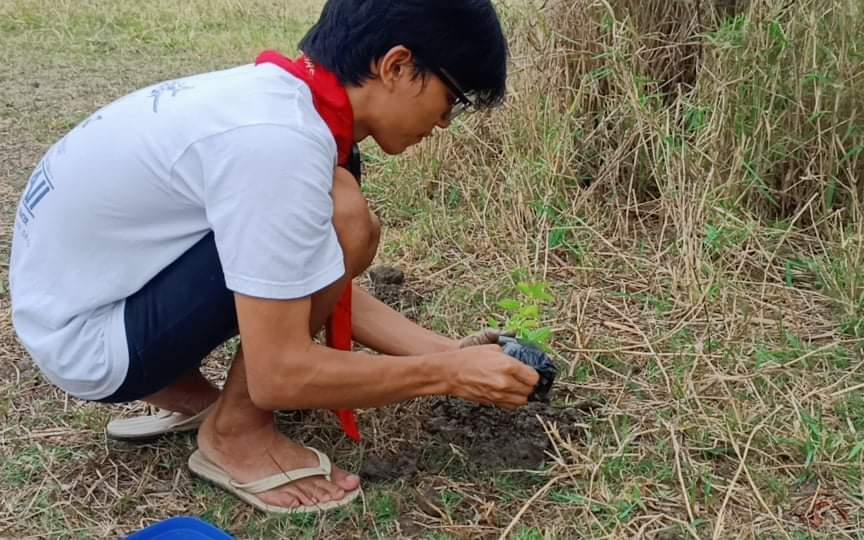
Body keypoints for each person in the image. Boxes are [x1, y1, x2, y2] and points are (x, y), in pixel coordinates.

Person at [8, 0, 540, 514]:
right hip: (92, 341)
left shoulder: (279, 99)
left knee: (331, 221)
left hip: (89, 301)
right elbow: (279, 374)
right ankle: (235, 434)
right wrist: (445, 373)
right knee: (345, 220)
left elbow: (292, 270)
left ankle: (196, 400)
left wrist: (446, 348)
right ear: (397, 65)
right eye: (454, 97)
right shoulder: (277, 144)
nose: (446, 120)